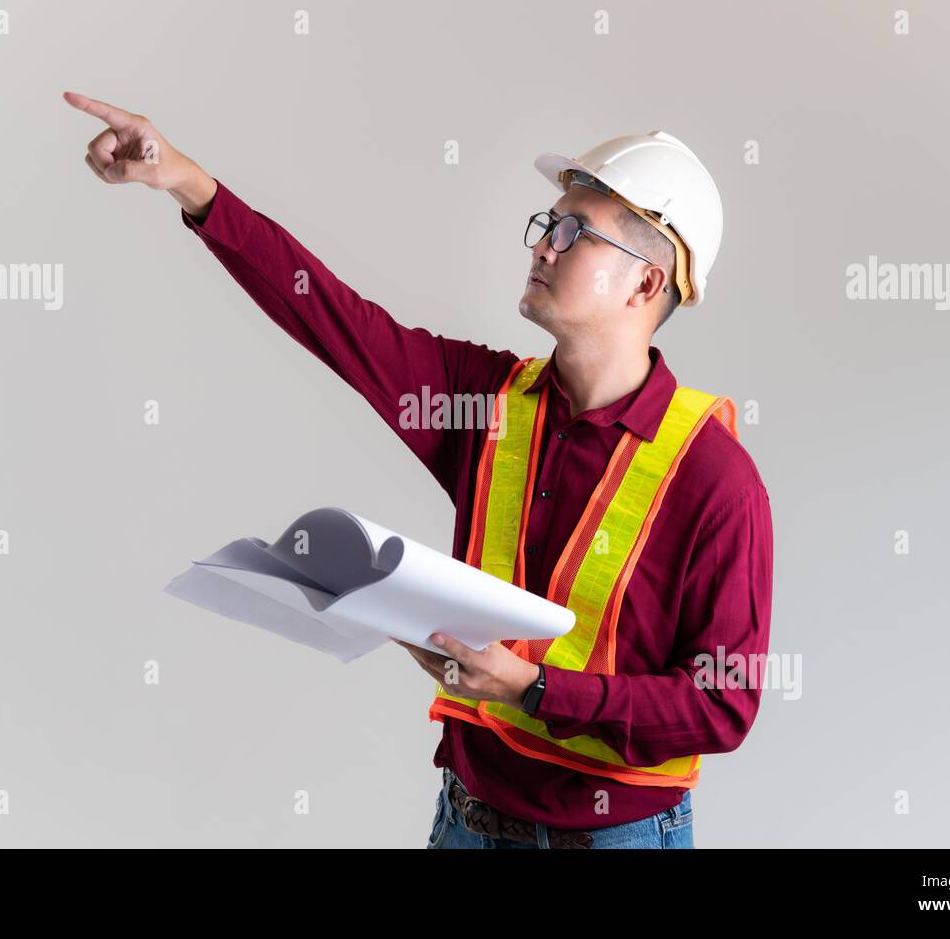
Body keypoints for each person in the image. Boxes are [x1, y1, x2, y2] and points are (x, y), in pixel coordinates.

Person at [64, 91, 774, 849]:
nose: (543, 246)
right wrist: (185, 182)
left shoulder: (715, 479)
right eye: (547, 225)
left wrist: (532, 689)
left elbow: (721, 706)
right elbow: (332, 319)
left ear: (646, 284)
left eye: (575, 233)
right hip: (466, 820)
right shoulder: (485, 401)